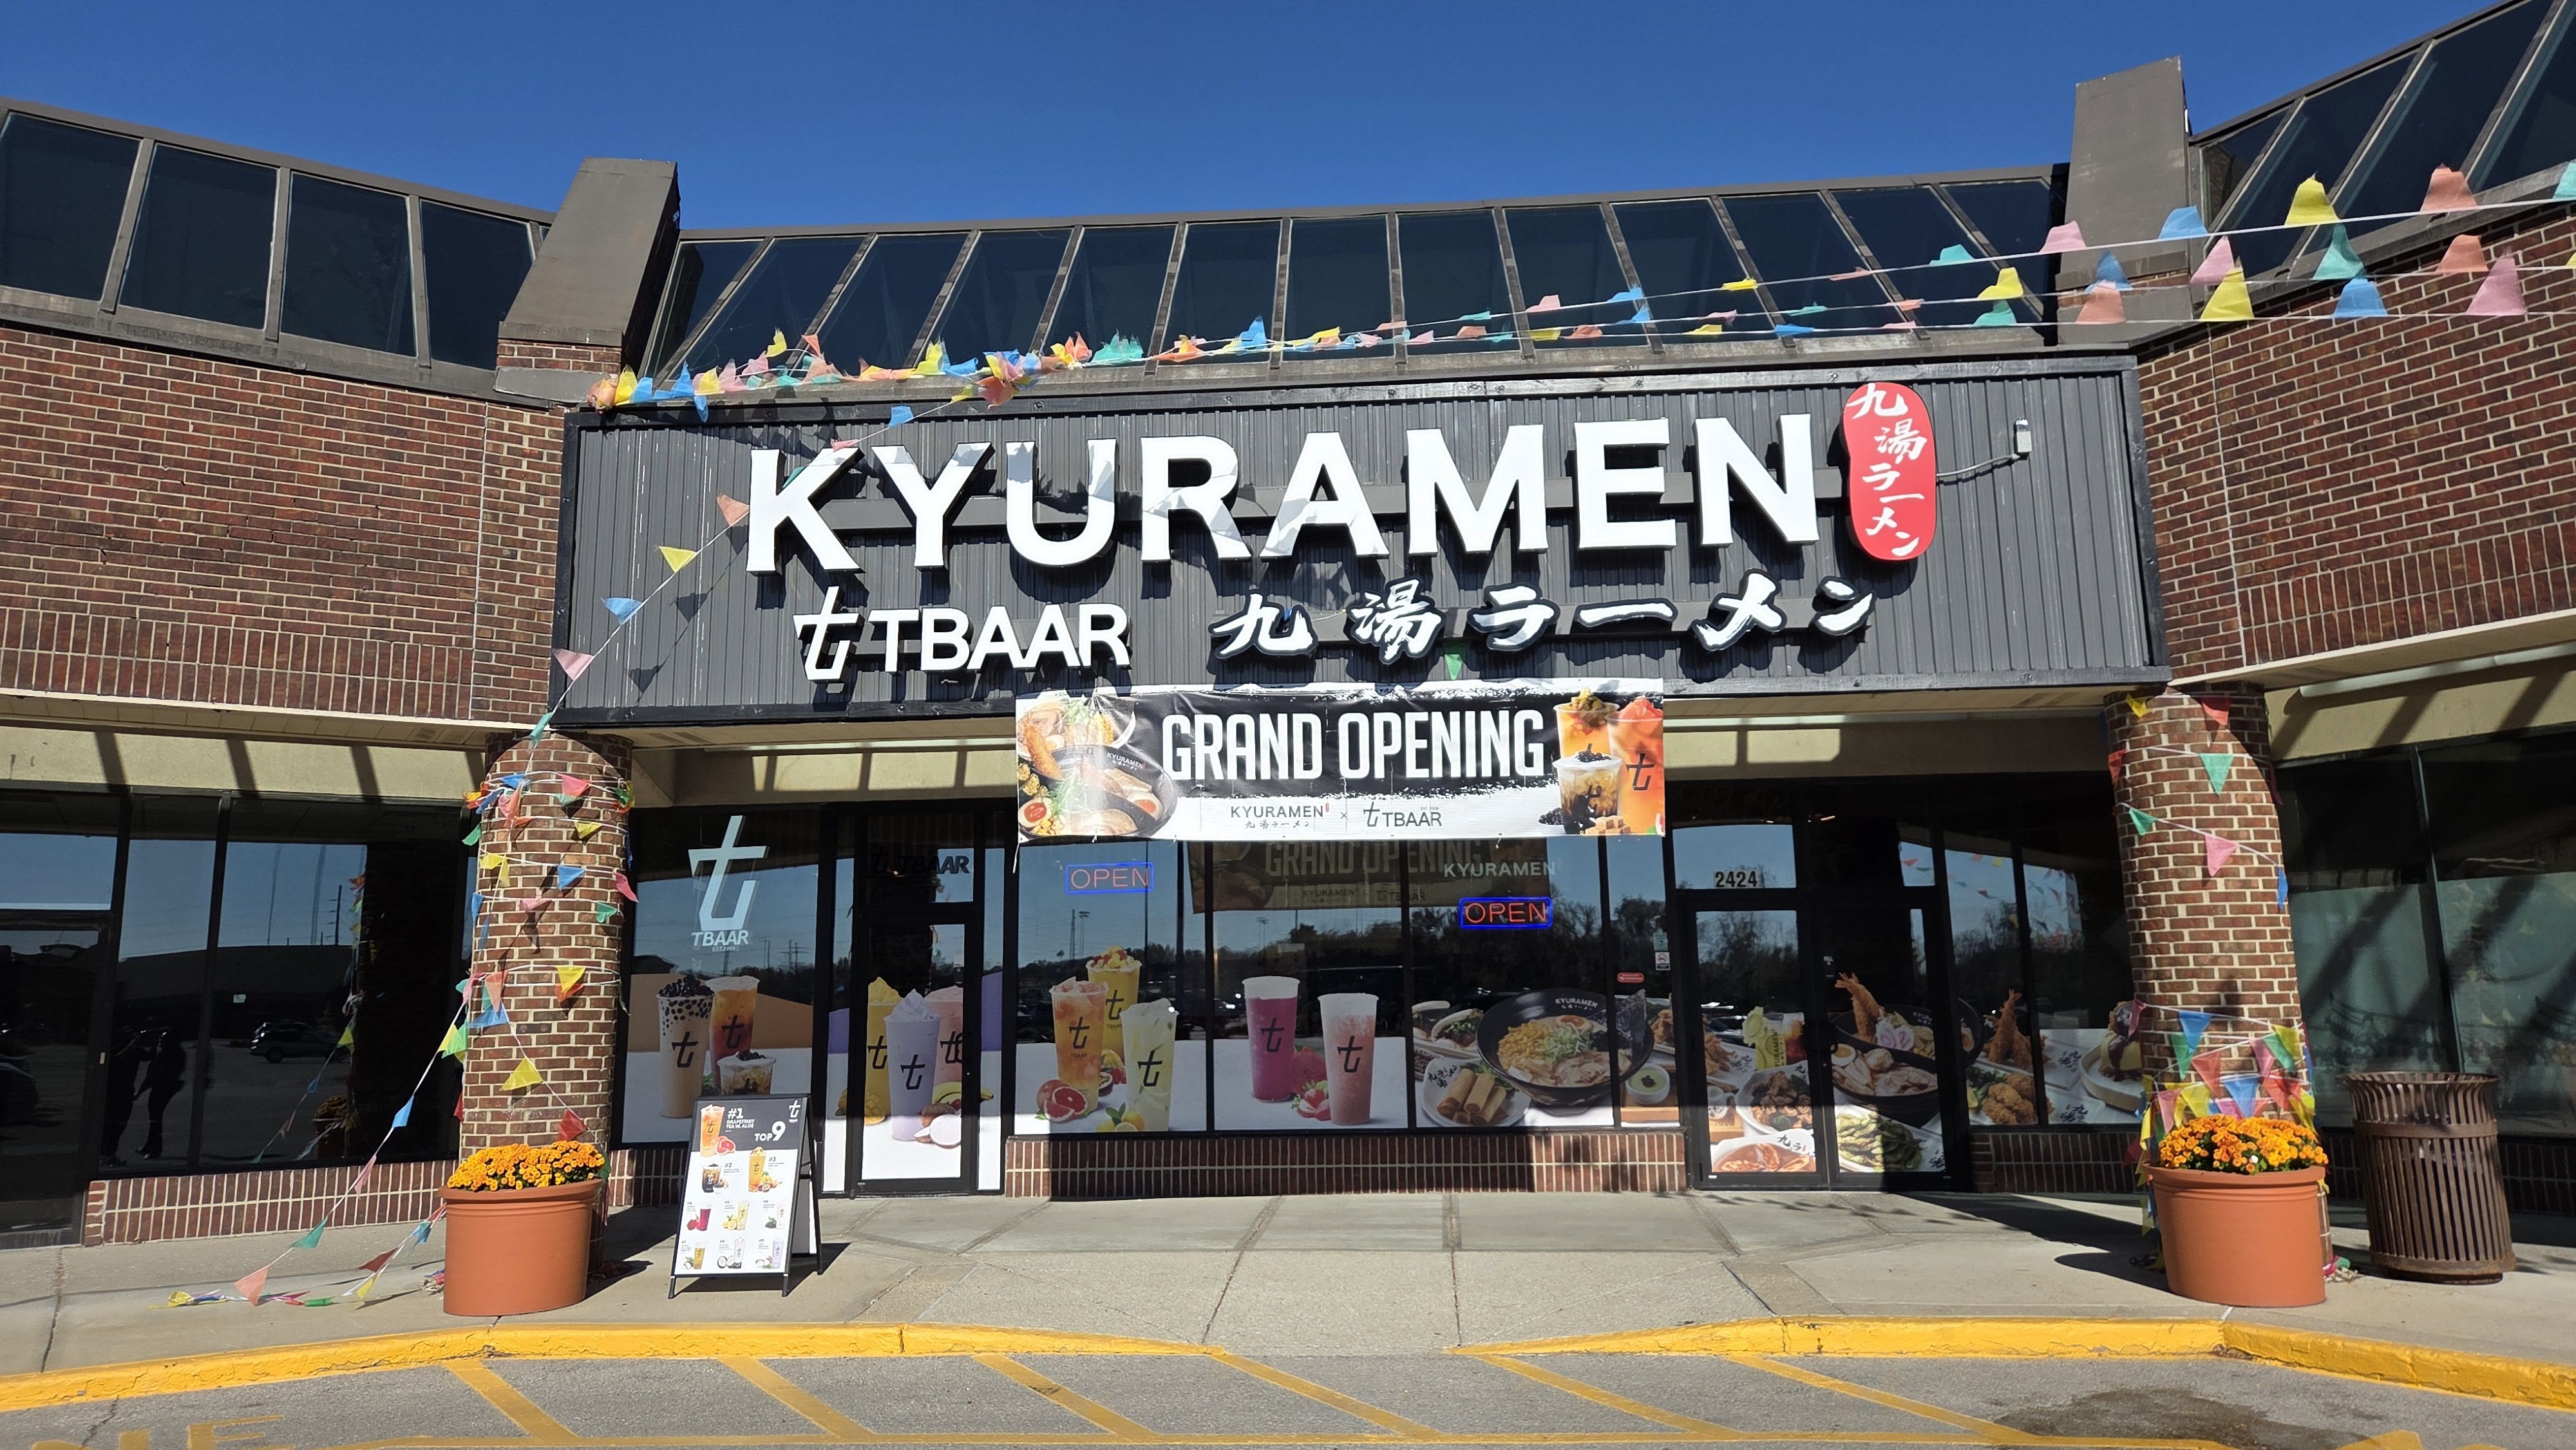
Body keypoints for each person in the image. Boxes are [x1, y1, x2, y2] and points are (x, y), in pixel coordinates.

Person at [99, 1028, 151, 1165]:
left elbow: (149, 1056)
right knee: (115, 1124)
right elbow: (149, 1055)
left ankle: (106, 1153)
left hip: (118, 1091)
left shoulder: (127, 1052)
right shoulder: (128, 1052)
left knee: (114, 1124)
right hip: (120, 1092)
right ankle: (107, 1154)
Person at [140, 1029, 187, 1160]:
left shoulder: (171, 1055)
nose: (161, 1041)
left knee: (156, 1119)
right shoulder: (169, 1053)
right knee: (154, 1119)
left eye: (163, 1039)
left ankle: (155, 1148)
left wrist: (141, 1091)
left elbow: (156, 1073)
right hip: (162, 1088)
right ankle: (150, 1145)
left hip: (162, 1089)